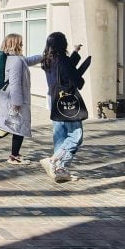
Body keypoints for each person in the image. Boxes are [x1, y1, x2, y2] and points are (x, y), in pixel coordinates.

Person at [0, 33, 42, 165]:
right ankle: (14, 156)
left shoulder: (8, 58)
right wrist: (16, 103)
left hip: (3, 99)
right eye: (21, 42)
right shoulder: (16, 60)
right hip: (12, 100)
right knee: (18, 127)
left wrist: (44, 56)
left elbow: (28, 61)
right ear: (16, 44)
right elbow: (15, 83)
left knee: (7, 126)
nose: (23, 44)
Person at [39, 32, 89, 183]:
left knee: (60, 136)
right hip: (67, 102)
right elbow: (76, 81)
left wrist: (75, 53)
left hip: (53, 99)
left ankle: (59, 171)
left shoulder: (47, 60)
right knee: (75, 136)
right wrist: (82, 70)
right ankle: (54, 160)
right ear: (62, 44)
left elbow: (63, 69)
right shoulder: (63, 60)